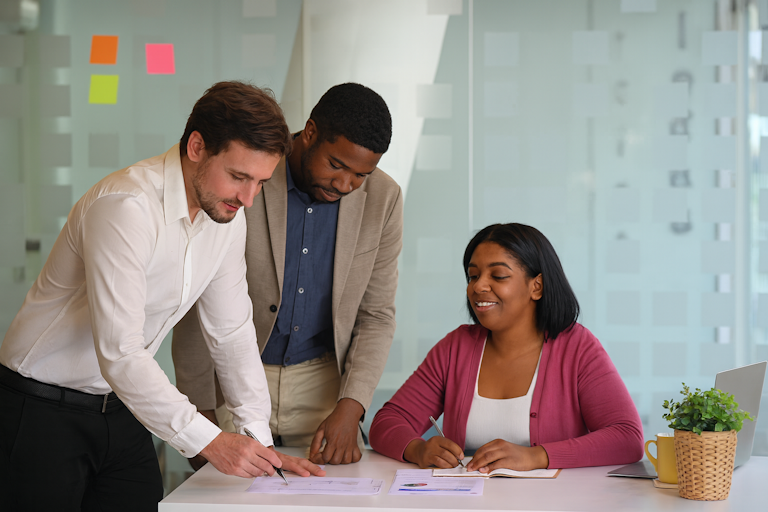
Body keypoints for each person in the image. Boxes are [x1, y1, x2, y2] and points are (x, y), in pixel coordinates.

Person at [0, 81, 323, 512]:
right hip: (40, 410)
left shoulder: (226, 215)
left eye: (260, 182)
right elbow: (121, 351)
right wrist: (210, 441)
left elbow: (230, 331)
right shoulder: (126, 206)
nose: (247, 198)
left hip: (124, 408)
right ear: (196, 146)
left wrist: (256, 440)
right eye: (239, 176)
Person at [172, 83, 403, 466]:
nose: (345, 185)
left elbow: (377, 314)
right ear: (309, 133)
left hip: (323, 387)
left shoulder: (384, 198)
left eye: (361, 174)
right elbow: (199, 297)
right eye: (336, 165)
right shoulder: (251, 174)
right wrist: (201, 411)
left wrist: (352, 407)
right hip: (232, 379)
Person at [369, 223, 643, 472]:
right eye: (472, 276)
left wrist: (536, 456)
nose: (479, 286)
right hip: (469, 501)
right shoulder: (456, 347)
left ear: (537, 286)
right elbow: (387, 422)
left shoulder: (577, 347)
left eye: (498, 276)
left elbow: (627, 437)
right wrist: (418, 449)